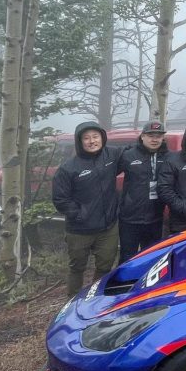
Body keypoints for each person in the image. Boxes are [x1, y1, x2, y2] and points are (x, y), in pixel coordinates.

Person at [52, 121, 122, 296]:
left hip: (108, 227)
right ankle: (72, 300)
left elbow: (135, 154)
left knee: (105, 266)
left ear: (102, 138)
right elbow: (60, 199)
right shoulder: (68, 168)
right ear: (80, 141)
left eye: (95, 137)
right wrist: (80, 214)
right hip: (79, 229)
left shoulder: (112, 156)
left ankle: (95, 298)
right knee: (77, 267)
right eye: (87, 138)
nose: (92, 141)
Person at [116, 121, 168, 263]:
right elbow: (107, 174)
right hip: (130, 219)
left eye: (159, 135)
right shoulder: (128, 155)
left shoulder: (168, 157)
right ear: (142, 136)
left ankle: (147, 285)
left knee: (151, 258)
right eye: (151, 135)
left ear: (163, 138)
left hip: (155, 218)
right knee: (127, 258)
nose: (155, 139)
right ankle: (125, 285)